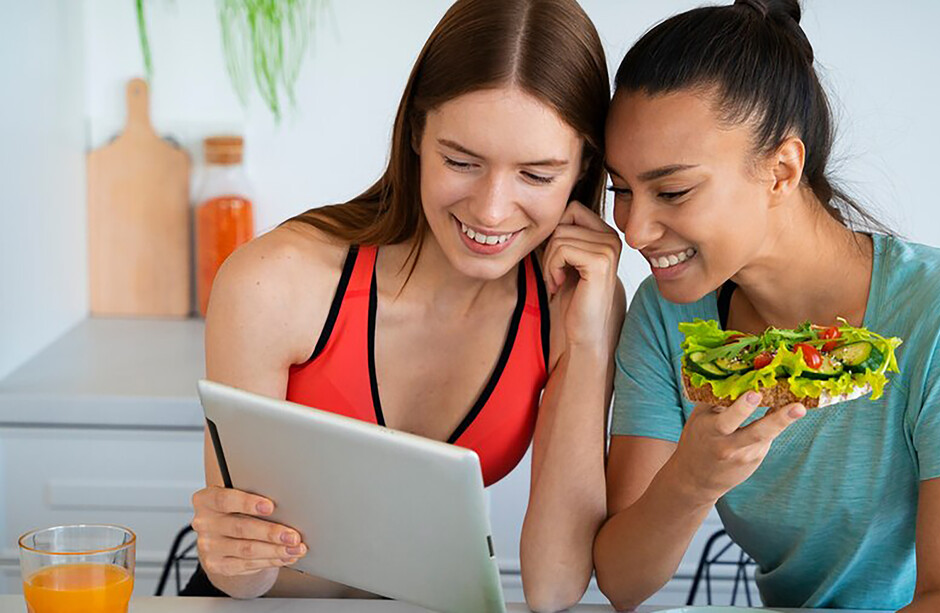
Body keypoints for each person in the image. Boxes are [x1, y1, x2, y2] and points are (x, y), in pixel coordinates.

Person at [592, 1, 940, 611]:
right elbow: (621, 580)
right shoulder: (666, 314)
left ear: (781, 170)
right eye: (621, 188)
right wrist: (688, 482)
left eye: (672, 190)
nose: (634, 229)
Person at [188, 0, 624, 608]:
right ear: (417, 132)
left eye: (537, 175)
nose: (493, 210)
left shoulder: (573, 304)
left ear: (583, 169)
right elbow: (245, 578)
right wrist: (232, 555)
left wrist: (589, 340)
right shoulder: (273, 284)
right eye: (462, 162)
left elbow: (554, 589)